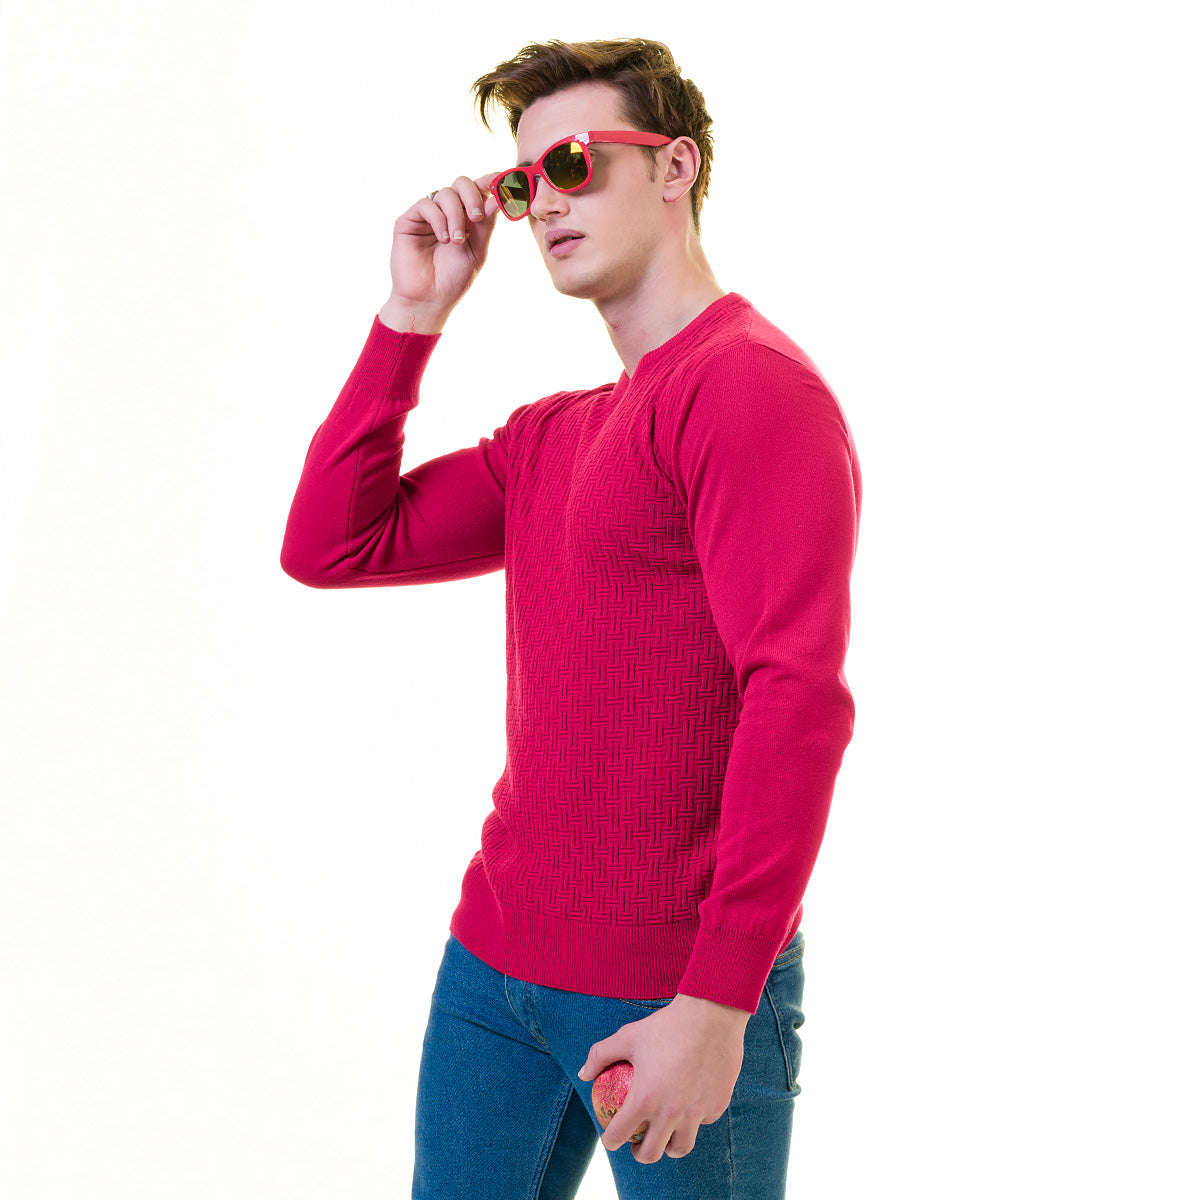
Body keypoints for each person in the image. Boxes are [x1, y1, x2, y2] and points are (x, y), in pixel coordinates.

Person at [281, 36, 861, 1200]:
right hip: (495, 972)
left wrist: (720, 997)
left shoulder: (747, 387)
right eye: (523, 180)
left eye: (575, 162)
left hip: (674, 988)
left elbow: (795, 699)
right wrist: (412, 312)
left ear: (675, 166)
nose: (545, 198)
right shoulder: (553, 435)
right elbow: (332, 543)